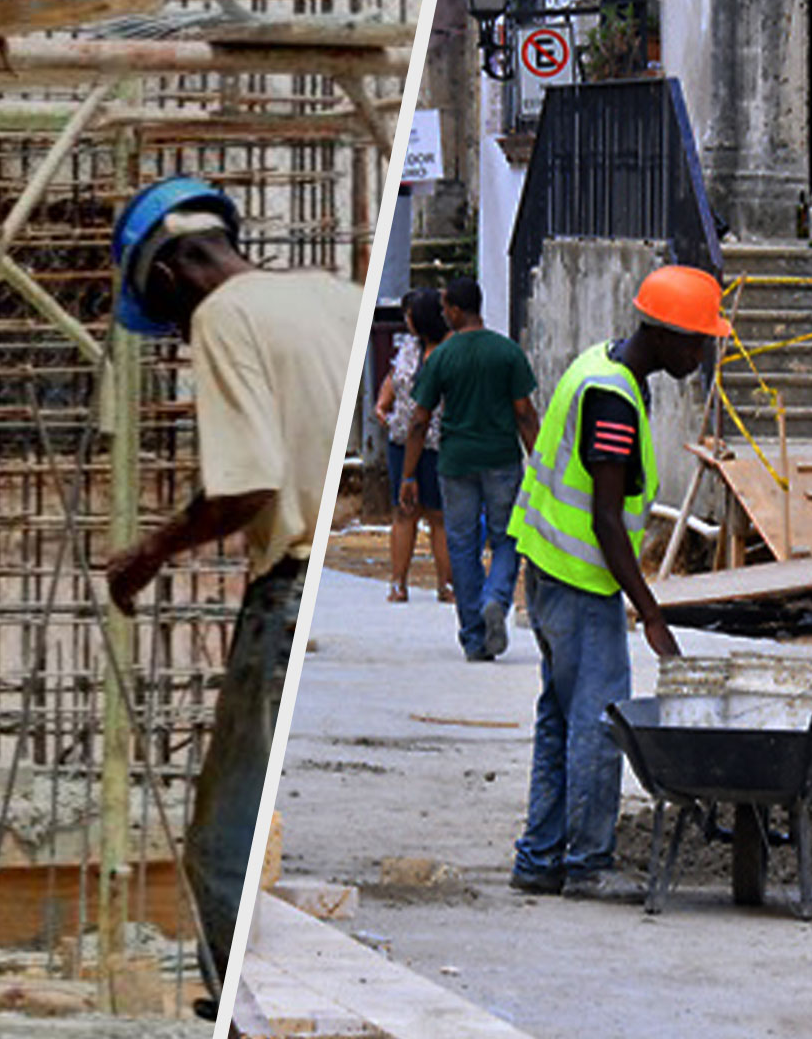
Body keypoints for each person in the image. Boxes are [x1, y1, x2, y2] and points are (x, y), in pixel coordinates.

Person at [102, 177, 358, 1000]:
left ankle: (233, 1006)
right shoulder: (336, 296)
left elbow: (245, 486)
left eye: (167, 317)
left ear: (173, 275)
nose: (179, 336)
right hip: (330, 574)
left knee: (224, 847)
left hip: (285, 587)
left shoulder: (223, 315)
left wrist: (149, 553)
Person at [506, 265, 728, 901]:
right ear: (666, 334)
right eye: (699, 341)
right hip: (580, 581)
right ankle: (588, 864)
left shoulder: (601, 366)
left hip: (550, 574)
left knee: (559, 718)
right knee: (600, 722)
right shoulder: (613, 398)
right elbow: (606, 517)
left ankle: (540, 858)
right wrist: (650, 610)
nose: (703, 354)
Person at [400, 278, 539, 660]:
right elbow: (524, 413)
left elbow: (418, 420)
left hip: (455, 462)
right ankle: (496, 597)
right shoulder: (507, 352)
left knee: (462, 546)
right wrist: (540, 465)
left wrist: (409, 474)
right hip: (501, 461)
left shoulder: (442, 357)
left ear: (457, 310)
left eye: (446, 306)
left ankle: (475, 636)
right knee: (508, 538)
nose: (443, 313)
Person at [373, 288, 453, 603]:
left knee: (438, 514)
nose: (406, 320)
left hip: (436, 443)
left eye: (411, 315)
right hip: (402, 440)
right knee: (404, 511)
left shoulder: (449, 349)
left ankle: (445, 584)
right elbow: (395, 375)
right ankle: (398, 582)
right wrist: (383, 403)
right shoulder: (409, 346)